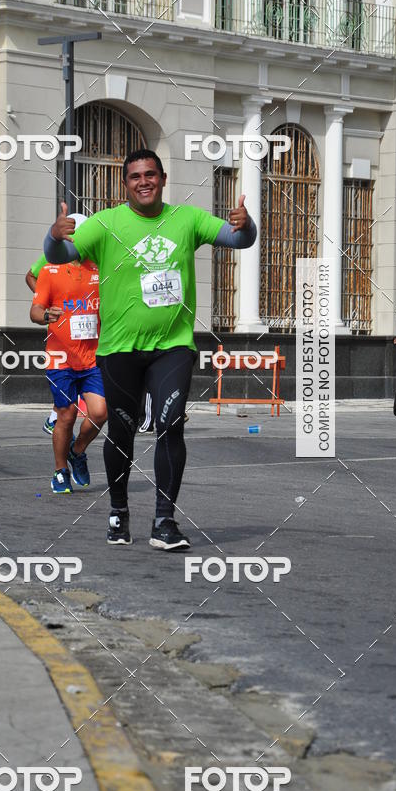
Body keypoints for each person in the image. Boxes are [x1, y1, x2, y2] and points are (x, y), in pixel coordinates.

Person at [44, 149, 256, 550]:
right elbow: (61, 255)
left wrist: (247, 226)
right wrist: (54, 236)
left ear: (162, 178)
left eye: (151, 174)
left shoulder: (187, 219)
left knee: (170, 423)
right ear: (126, 183)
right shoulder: (107, 223)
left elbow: (238, 240)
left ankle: (164, 521)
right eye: (136, 176)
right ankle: (119, 512)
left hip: (172, 346)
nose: (144, 181)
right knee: (121, 431)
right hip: (119, 350)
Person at [30, 213, 107, 493]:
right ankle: (60, 470)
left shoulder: (100, 269)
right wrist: (45, 315)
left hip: (92, 358)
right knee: (67, 415)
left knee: (100, 413)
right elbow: (35, 310)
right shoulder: (50, 270)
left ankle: (77, 451)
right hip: (60, 358)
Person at [26, 254, 57, 435]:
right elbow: (30, 276)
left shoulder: (94, 255)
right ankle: (55, 418)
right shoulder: (55, 253)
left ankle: (55, 417)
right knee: (65, 372)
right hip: (59, 327)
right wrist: (44, 300)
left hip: (90, 329)